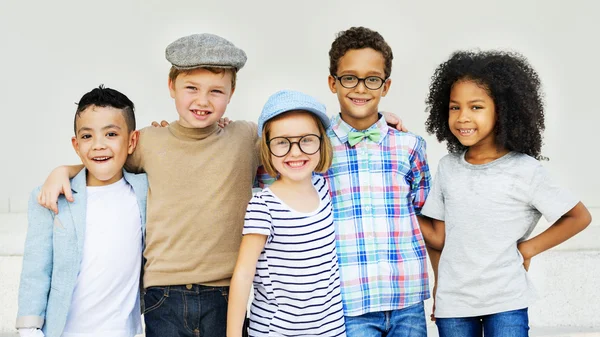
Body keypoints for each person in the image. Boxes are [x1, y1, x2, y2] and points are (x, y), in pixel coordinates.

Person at [35, 33, 259, 337]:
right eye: (191, 88)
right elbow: (105, 161)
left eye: (216, 91)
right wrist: (63, 170)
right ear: (171, 87)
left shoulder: (245, 138)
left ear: (231, 93)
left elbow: (290, 150)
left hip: (225, 292)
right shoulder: (150, 141)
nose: (203, 100)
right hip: (163, 292)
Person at [418, 50, 592, 337]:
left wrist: (528, 248)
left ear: (504, 110)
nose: (462, 117)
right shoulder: (448, 168)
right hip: (454, 305)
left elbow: (579, 217)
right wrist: (396, 207)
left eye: (476, 107)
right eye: (454, 107)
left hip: (506, 301)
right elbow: (438, 238)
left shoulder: (525, 170)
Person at [324, 26, 431, 336]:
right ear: (333, 83)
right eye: (349, 78)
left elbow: (427, 217)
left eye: (372, 79)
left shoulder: (409, 146)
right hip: (348, 302)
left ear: (385, 86)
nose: (360, 88)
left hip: (407, 297)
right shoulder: (315, 148)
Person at [16, 86, 148, 337]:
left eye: (110, 133)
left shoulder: (143, 190)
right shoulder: (51, 196)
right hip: (62, 331)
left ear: (132, 141)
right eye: (87, 137)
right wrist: (29, 329)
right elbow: (36, 270)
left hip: (122, 330)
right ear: (76, 145)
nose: (98, 145)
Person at [227, 90, 346, 336]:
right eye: (282, 142)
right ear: (267, 149)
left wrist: (381, 117)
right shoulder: (264, 205)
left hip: (329, 330)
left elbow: (350, 122)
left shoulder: (322, 187)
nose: (295, 152)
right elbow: (243, 273)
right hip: (277, 330)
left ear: (322, 142)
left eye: (306, 139)